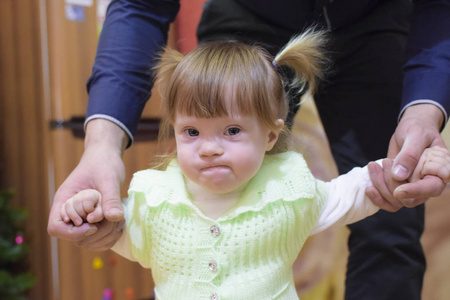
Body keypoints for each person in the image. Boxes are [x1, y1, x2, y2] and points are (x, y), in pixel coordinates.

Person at [47, 0, 450, 298]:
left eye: (232, 132)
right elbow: (141, 7)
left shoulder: (297, 193)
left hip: (373, 20)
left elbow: (364, 188)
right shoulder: (155, 198)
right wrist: (100, 154)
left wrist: (418, 128)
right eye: (191, 133)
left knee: (390, 232)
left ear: (271, 135)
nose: (209, 150)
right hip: (251, 14)